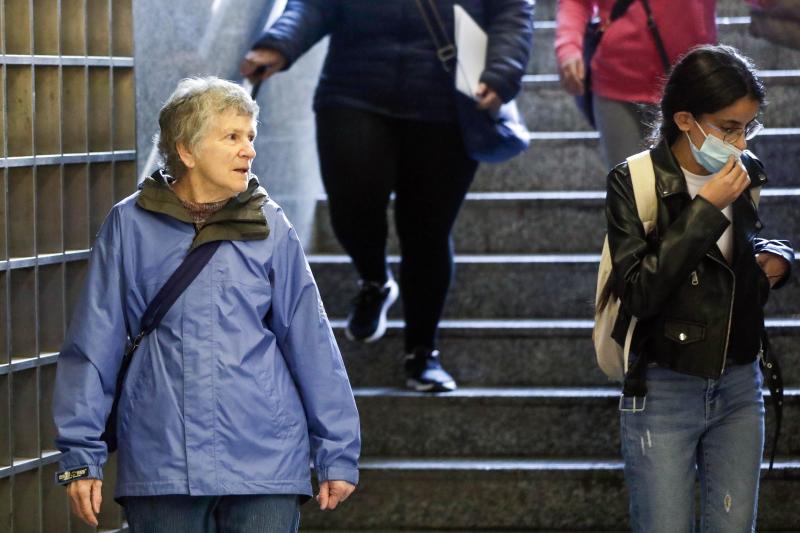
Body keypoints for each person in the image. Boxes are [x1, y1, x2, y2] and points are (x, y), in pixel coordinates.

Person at [52, 77, 360, 532]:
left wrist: (337, 450)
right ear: (187, 151)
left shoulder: (270, 225)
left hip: (265, 457)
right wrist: (80, 456)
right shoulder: (129, 224)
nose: (248, 150)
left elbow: (311, 342)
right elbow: (92, 344)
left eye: (250, 137)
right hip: (162, 459)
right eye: (232, 137)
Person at [240, 0, 534, 392]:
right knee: (349, 204)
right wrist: (279, 42)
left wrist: (500, 73)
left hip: (446, 101)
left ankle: (422, 353)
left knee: (426, 232)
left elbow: (512, 11)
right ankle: (375, 280)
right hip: (354, 89)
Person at [604, 44, 794, 532]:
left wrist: (778, 256)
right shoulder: (636, 180)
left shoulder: (743, 171)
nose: (740, 140)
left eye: (748, 126)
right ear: (685, 119)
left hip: (739, 380)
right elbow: (640, 291)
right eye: (729, 127)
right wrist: (706, 209)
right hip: (664, 385)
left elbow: (739, 248)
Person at [555, 0, 717, 169]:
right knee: (629, 188)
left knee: (700, 185)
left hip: (693, 82)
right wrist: (568, 46)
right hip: (617, 83)